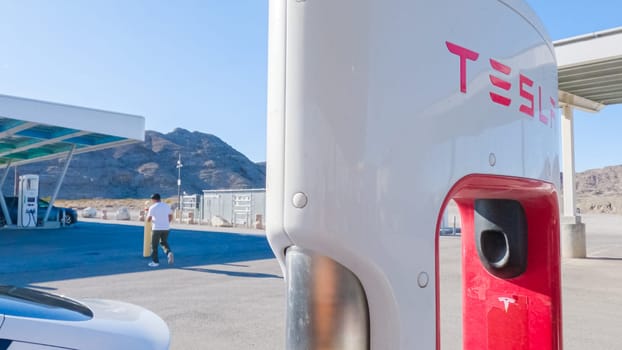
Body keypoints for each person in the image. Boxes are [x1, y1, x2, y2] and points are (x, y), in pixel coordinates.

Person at [147, 193, 174, 267]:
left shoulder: (152, 207)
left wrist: (149, 215)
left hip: (156, 228)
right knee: (163, 242)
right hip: (166, 228)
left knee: (154, 245)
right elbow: (171, 216)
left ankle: (155, 262)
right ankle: (169, 253)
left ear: (154, 199)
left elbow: (148, 219)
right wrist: (166, 222)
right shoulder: (166, 206)